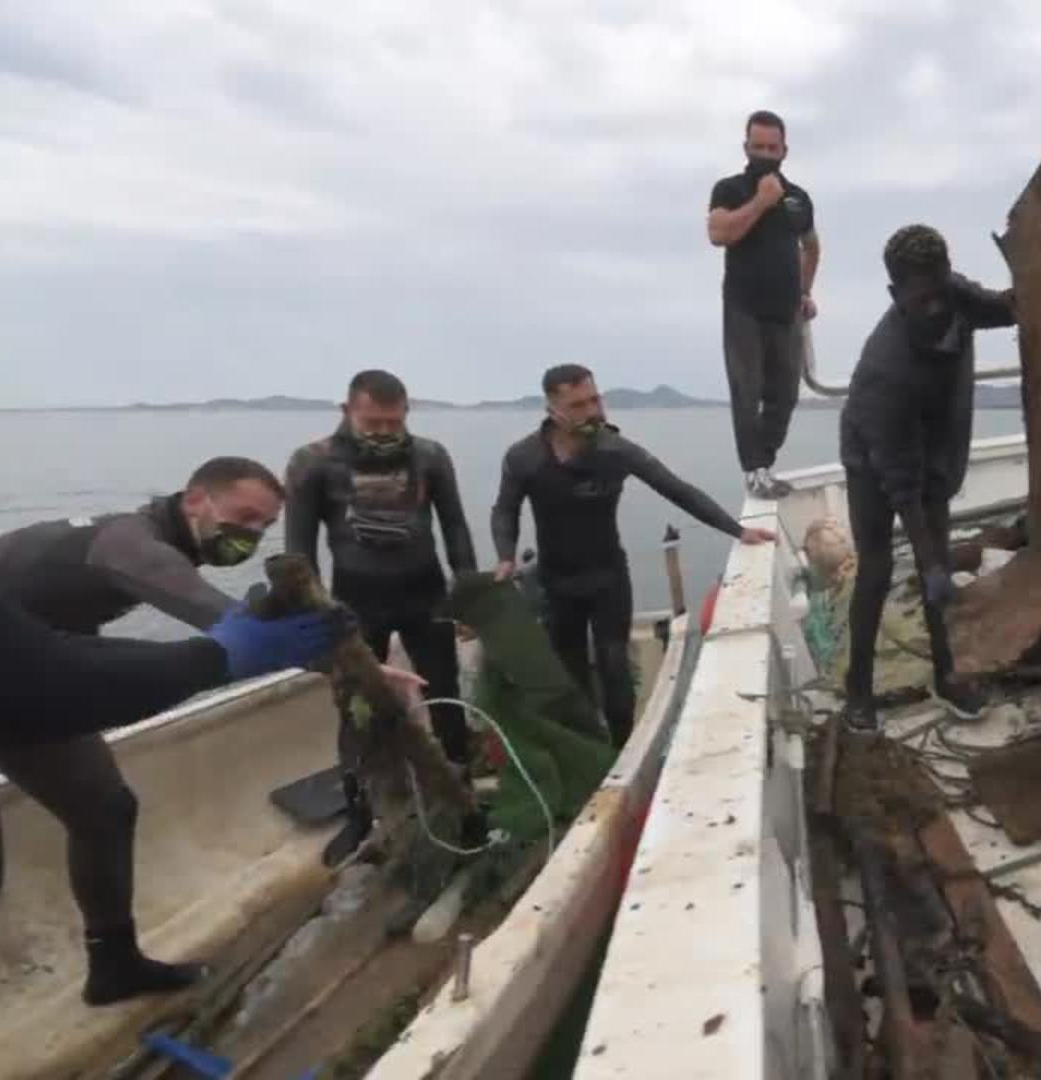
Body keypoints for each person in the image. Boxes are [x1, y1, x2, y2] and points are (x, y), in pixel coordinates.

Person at [0, 306, 339, 1080]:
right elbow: (214, 623)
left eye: (265, 526)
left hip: (19, 676)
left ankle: (112, 962)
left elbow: (43, 667)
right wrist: (272, 657)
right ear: (195, 501)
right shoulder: (130, 541)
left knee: (106, 807)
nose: (250, 535)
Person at [491, 364, 775, 746]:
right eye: (578, 405)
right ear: (553, 410)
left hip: (607, 577)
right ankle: (588, 748)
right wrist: (505, 556)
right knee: (571, 676)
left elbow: (678, 490)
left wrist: (737, 530)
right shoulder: (524, 457)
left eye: (595, 400)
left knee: (614, 669)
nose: (592, 412)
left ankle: (622, 751)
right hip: (557, 583)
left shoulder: (615, 451)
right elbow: (504, 509)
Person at [284, 369, 478, 864]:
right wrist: (315, 621)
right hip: (355, 603)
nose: (385, 432)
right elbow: (298, 551)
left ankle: (465, 796)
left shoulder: (430, 455)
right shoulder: (313, 462)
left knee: (446, 694)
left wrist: (469, 592)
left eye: (394, 422)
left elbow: (455, 525)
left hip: (425, 594)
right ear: (346, 411)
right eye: (373, 423)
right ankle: (359, 812)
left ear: (407, 414)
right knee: (355, 708)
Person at [837, 225, 1015, 729]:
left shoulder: (954, 294)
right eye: (923, 300)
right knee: (876, 571)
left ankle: (949, 674)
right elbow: (900, 482)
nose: (938, 308)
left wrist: (1040, 286)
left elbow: (1004, 307)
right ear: (895, 296)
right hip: (872, 461)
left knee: (936, 557)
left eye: (942, 291)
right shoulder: (884, 371)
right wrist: (931, 564)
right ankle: (859, 691)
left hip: (935, 452)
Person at [707, 109, 820, 499]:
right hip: (743, 307)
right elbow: (718, 233)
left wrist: (805, 292)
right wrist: (759, 203)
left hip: (785, 308)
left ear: (784, 149)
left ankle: (765, 461)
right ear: (746, 147)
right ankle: (754, 471)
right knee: (747, 390)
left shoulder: (800, 198)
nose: (765, 154)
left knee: (786, 394)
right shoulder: (729, 189)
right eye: (758, 147)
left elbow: (812, 245)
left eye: (772, 147)